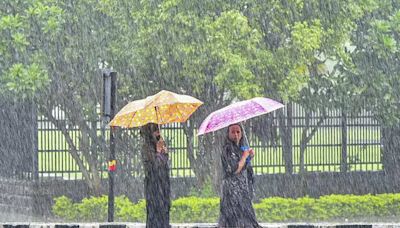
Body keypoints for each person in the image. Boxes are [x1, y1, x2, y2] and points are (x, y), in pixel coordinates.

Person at [218, 123, 261, 228]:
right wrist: (244, 156)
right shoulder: (227, 150)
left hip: (242, 192)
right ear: (228, 134)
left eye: (238, 132)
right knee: (233, 221)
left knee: (247, 220)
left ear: (242, 133)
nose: (236, 135)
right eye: (233, 132)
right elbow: (235, 169)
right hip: (232, 193)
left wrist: (249, 157)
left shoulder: (240, 148)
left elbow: (244, 168)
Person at [140, 123, 170, 228]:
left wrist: (164, 153)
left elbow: (164, 167)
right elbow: (154, 167)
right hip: (154, 188)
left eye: (158, 129)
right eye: (155, 130)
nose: (158, 133)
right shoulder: (146, 148)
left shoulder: (160, 144)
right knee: (155, 213)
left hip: (163, 186)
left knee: (164, 212)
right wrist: (158, 152)